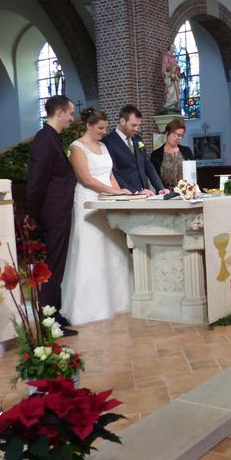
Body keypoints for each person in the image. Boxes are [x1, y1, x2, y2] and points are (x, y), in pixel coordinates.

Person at [61, 108, 132, 325]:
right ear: (89, 126)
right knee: (91, 250)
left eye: (105, 128)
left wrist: (122, 196)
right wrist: (113, 193)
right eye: (100, 128)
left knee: (114, 246)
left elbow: (109, 175)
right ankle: (90, 307)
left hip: (107, 200)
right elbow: (86, 179)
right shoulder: (76, 147)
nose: (104, 132)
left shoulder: (102, 146)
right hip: (88, 200)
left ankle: (118, 301)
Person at [25, 95, 77, 336]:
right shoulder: (44, 139)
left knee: (57, 266)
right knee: (52, 268)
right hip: (53, 213)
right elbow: (37, 181)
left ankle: (54, 314)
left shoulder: (52, 137)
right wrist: (32, 213)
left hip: (59, 211)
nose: (72, 118)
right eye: (70, 113)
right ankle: (49, 323)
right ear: (59, 113)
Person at [103, 105, 167, 196]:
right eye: (133, 125)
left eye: (138, 125)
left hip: (144, 192)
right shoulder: (108, 142)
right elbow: (114, 173)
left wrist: (160, 188)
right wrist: (134, 192)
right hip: (124, 195)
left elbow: (148, 165)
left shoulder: (138, 139)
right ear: (122, 121)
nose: (137, 129)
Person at [150, 119, 194, 190]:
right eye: (175, 134)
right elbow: (154, 177)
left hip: (186, 193)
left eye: (180, 135)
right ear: (167, 133)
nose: (177, 138)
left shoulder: (187, 151)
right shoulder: (156, 154)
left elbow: (193, 173)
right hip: (165, 194)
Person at [162, 44, 181, 111]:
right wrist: (170, 72)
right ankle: (169, 104)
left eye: (174, 48)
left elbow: (176, 67)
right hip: (170, 77)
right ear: (169, 48)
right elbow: (164, 68)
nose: (174, 49)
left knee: (176, 92)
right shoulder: (166, 57)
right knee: (171, 91)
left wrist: (177, 67)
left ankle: (174, 104)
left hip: (175, 77)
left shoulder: (173, 58)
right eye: (173, 48)